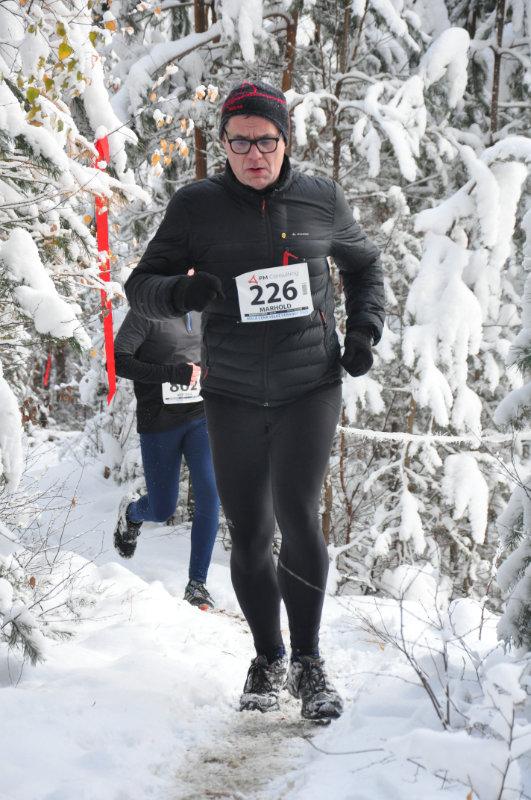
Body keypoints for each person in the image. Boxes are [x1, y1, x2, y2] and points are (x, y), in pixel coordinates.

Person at [125, 80, 385, 721]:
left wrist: (363, 331)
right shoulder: (196, 207)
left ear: (285, 140)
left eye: (265, 141)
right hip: (233, 391)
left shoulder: (321, 198)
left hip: (309, 386)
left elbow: (364, 266)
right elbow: (141, 286)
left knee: (298, 517)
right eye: (239, 143)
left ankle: (308, 663)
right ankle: (268, 657)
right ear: (223, 145)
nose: (254, 155)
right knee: (250, 532)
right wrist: (180, 294)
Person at [113, 307, 220, 610]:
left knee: (210, 494)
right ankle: (132, 513)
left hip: (201, 415)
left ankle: (197, 584)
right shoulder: (147, 310)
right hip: (159, 421)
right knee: (162, 509)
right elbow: (119, 361)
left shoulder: (207, 304)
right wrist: (172, 373)